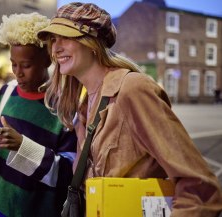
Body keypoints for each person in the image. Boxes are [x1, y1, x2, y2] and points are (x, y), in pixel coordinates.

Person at [37, 2, 222, 216]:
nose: (56, 47)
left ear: (91, 42)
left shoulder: (132, 89)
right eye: (53, 40)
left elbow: (200, 189)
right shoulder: (84, 105)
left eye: (65, 37)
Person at [0, 12, 77, 217]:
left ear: (48, 60)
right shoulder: (6, 92)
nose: (17, 72)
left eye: (26, 65)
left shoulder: (66, 106)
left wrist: (23, 146)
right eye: (13, 63)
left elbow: (67, 173)